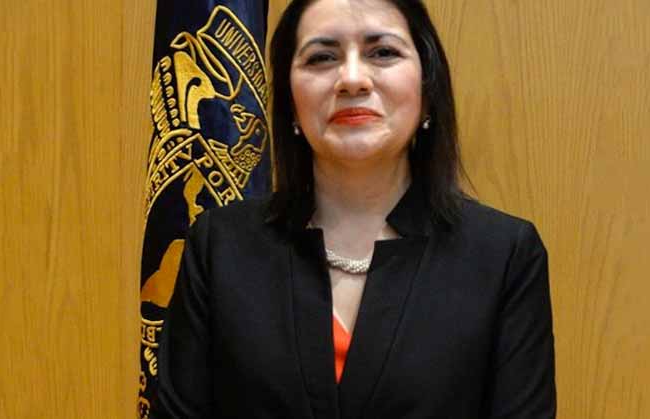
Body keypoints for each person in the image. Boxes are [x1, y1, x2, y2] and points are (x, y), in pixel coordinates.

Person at [152, 0, 556, 417]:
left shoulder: (504, 256)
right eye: (321, 57)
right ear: (290, 101)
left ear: (427, 90)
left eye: (382, 52)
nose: (351, 79)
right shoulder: (219, 247)